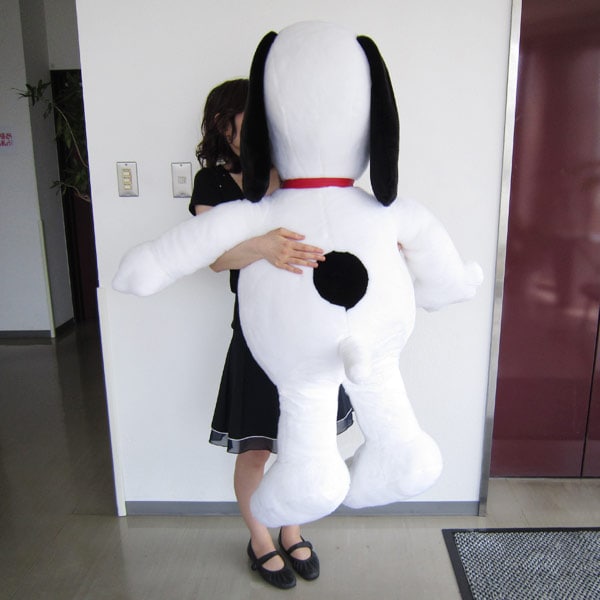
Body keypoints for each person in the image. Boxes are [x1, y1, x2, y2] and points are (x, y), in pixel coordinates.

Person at [189, 78, 354, 590]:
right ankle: (260, 539)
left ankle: (292, 529)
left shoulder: (293, 176)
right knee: (257, 450)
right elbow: (214, 258)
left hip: (308, 330)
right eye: (244, 119)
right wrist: (262, 246)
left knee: (302, 442)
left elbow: (335, 224)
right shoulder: (213, 183)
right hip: (258, 335)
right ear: (223, 126)